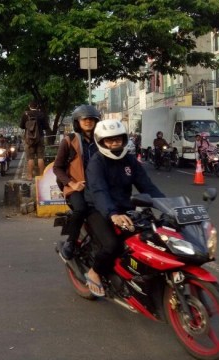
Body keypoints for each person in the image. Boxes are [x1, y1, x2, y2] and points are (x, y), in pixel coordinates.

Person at [83, 120, 165, 297]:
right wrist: (112, 214)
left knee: (149, 238)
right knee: (112, 245)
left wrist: (168, 205)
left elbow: (147, 186)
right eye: (109, 140)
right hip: (98, 209)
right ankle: (94, 271)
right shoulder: (97, 163)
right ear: (101, 141)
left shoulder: (130, 161)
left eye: (118, 139)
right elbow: (99, 191)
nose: (114, 143)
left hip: (124, 208)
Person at [53, 105, 101, 260]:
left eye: (91, 119)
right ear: (77, 122)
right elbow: (57, 168)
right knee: (80, 209)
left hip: (98, 187)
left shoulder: (102, 140)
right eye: (84, 119)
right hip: (76, 187)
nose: (88, 122)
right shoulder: (69, 141)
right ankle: (71, 242)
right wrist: (71, 184)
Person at [20, 100, 50, 180]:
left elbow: (22, 126)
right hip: (40, 137)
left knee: (30, 158)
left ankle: (29, 176)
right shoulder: (41, 114)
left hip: (29, 139)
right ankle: (41, 175)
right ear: (37, 106)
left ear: (29, 106)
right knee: (40, 157)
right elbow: (46, 126)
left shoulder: (25, 114)